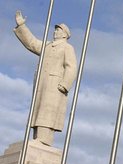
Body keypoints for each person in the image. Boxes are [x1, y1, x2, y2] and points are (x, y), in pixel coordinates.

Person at [14, 10, 77, 146]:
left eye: (58, 31)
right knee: (39, 109)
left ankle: (44, 139)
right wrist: (22, 26)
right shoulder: (47, 46)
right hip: (42, 84)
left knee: (48, 111)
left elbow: (71, 67)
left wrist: (65, 83)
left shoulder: (67, 48)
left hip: (55, 85)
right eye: (55, 30)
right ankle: (37, 137)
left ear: (65, 35)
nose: (55, 32)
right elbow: (31, 43)